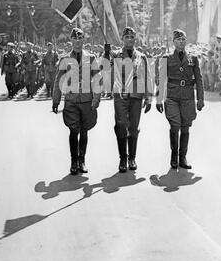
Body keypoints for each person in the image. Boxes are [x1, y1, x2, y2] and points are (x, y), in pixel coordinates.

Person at [102, 26, 153, 173]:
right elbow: (104, 68)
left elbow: (148, 77)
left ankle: (132, 158)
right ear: (122, 39)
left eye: (132, 37)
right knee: (121, 125)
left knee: (134, 127)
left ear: (134, 39)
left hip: (136, 95)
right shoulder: (116, 55)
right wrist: (106, 54)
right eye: (126, 37)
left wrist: (149, 98)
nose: (129, 40)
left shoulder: (141, 57)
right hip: (120, 94)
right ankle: (122, 158)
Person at [52, 28, 101, 175]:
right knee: (74, 130)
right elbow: (58, 81)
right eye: (75, 39)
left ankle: (82, 160)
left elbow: (97, 79)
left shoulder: (91, 58)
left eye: (80, 39)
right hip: (71, 100)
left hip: (86, 100)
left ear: (83, 40)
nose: (78, 41)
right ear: (71, 40)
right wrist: (56, 100)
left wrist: (96, 98)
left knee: (84, 130)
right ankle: (74, 161)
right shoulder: (64, 59)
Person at [156, 29, 204, 170]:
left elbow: (199, 80)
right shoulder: (166, 58)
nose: (181, 42)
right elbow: (162, 79)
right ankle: (174, 156)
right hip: (172, 96)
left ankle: (183, 157)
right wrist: (159, 99)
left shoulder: (193, 59)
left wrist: (200, 99)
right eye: (178, 40)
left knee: (185, 127)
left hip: (188, 97)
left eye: (183, 39)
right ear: (173, 42)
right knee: (175, 125)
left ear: (186, 41)